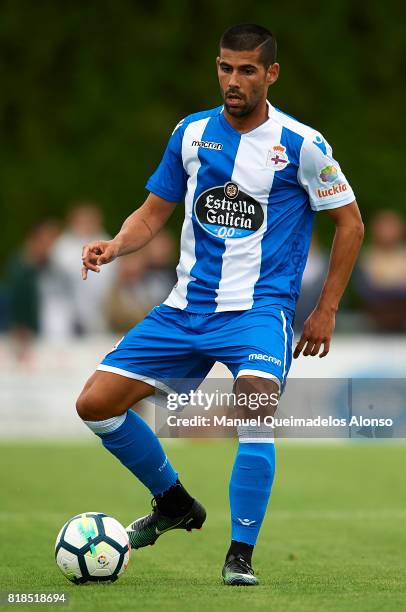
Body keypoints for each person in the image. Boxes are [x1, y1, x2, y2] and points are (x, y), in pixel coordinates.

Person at [77, 24, 364, 586]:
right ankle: (175, 503)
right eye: (226, 68)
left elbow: (350, 224)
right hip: (186, 308)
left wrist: (325, 308)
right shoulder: (191, 133)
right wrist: (115, 245)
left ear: (271, 74)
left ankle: (240, 554)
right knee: (96, 404)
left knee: (254, 408)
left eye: (248, 70)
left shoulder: (303, 145)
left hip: (260, 312)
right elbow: (153, 213)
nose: (234, 81)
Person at [354, 210, 406, 332]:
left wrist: (384, 284)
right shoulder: (366, 257)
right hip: (375, 319)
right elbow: (366, 289)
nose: (388, 233)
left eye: (391, 228)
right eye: (384, 228)